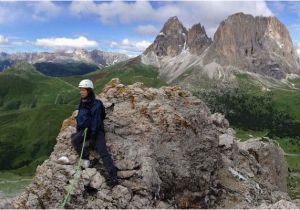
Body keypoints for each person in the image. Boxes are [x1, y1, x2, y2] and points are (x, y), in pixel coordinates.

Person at [71, 79, 118, 187]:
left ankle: (113, 177)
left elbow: (96, 121)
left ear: (89, 91)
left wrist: (93, 137)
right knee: (74, 139)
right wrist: (80, 130)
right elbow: (80, 117)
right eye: (80, 90)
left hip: (96, 131)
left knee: (103, 152)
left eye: (83, 90)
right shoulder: (82, 102)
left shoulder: (96, 105)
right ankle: (88, 158)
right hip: (85, 130)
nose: (81, 92)